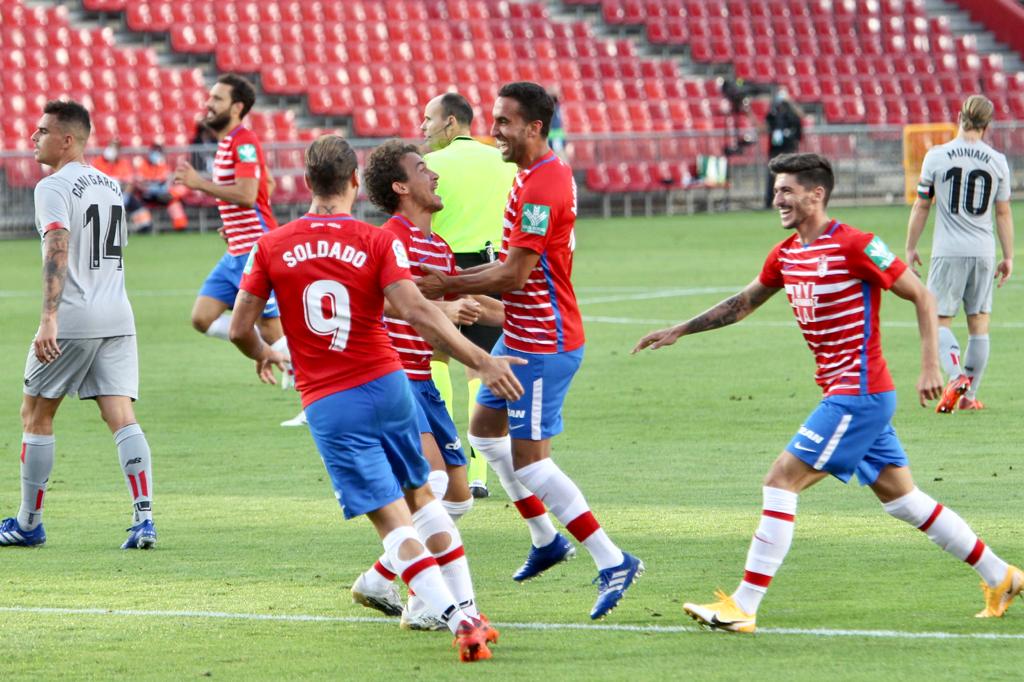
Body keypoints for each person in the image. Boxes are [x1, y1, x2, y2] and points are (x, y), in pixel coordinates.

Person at [633, 153, 1022, 633]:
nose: (777, 198)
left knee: (780, 481)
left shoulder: (857, 245)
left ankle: (743, 605)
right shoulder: (786, 253)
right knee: (904, 499)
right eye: (776, 191)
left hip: (857, 394)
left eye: (786, 191)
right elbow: (742, 303)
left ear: (816, 195)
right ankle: (1000, 575)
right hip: (850, 396)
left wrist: (928, 366)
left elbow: (924, 295)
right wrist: (681, 329)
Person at [228, 134, 525, 662]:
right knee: (424, 498)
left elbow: (238, 329)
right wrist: (480, 360)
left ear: (307, 183)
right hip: (391, 386)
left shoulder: (271, 245)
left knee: (393, 520)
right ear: (350, 183)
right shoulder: (376, 240)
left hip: (331, 400)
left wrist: (265, 353)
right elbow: (417, 310)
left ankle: (459, 619)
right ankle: (470, 605)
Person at [417, 82, 644, 620]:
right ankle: (546, 539)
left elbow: (516, 272)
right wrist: (471, 295)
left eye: (505, 122)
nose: (494, 130)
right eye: (494, 119)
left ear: (534, 128)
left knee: (532, 463)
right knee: (484, 433)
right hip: (522, 331)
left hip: (544, 341)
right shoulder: (530, 175)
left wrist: (447, 285)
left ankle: (613, 560)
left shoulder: (542, 184)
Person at [350, 140, 505, 630]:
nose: (434, 176)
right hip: (392, 377)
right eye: (423, 169)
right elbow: (387, 305)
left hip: (423, 379)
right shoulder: (389, 239)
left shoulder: (437, 247)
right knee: (432, 484)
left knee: (457, 497)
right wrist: (444, 312)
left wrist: (536, 322)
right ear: (401, 187)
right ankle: (434, 604)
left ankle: (381, 579)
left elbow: (451, 327)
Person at [0, 100, 156, 550]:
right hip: (117, 315)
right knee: (121, 414)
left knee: (35, 413)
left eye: (43, 130)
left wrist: (49, 318)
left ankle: (29, 523)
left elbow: (58, 247)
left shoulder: (53, 186)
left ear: (67, 139)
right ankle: (144, 519)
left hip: (73, 318)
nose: (34, 136)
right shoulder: (110, 185)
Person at [173, 74, 294, 419]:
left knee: (273, 329)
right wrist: (234, 223)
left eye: (217, 99)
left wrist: (200, 184)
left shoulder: (243, 141)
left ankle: (310, 400)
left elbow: (244, 193)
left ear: (237, 107)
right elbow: (264, 184)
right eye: (209, 98)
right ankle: (264, 348)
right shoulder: (226, 144)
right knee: (202, 317)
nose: (208, 104)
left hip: (256, 250)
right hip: (237, 249)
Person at [421, 92, 519, 499]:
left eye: (428, 119)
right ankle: (479, 473)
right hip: (491, 267)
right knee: (481, 367)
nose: (422, 128)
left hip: (442, 270)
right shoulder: (500, 159)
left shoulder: (428, 166)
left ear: (450, 123)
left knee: (435, 359)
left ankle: (447, 458)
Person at [905, 94, 1014, 413]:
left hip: (947, 251)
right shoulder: (997, 161)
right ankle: (969, 395)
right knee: (979, 324)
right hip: (982, 250)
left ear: (959, 117)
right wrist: (1008, 256)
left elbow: (922, 204)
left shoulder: (936, 157)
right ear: (988, 125)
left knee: (939, 320)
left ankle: (955, 376)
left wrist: (911, 247)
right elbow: (1003, 213)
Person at [92, 138, 153, 233]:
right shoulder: (98, 162)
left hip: (120, 193)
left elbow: (130, 183)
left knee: (135, 203)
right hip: (102, 195)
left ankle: (144, 226)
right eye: (111, 147)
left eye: (116, 148)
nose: (112, 150)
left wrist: (124, 196)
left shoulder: (123, 163)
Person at [763, 88, 802, 208]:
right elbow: (767, 123)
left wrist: (789, 102)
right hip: (776, 150)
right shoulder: (773, 114)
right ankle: (769, 202)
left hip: (788, 149)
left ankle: (793, 201)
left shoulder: (792, 115)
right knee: (772, 176)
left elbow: (800, 119)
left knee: (790, 177)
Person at [137, 143, 189, 230]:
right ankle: (145, 227)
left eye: (159, 152)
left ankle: (181, 226)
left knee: (174, 201)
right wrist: (150, 187)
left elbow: (168, 181)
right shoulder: (143, 166)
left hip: (163, 195)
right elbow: (139, 183)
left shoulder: (163, 166)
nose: (156, 154)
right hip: (148, 195)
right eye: (155, 152)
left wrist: (162, 187)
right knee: (170, 198)